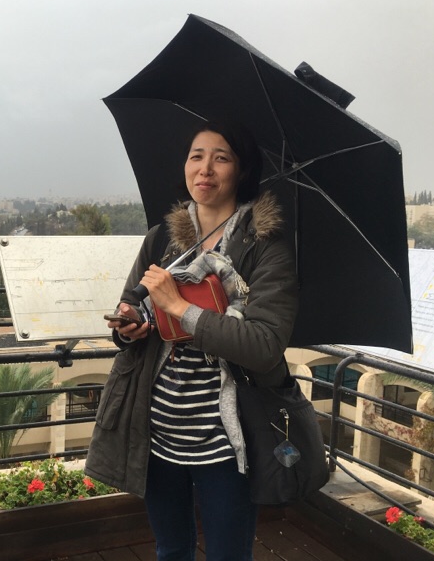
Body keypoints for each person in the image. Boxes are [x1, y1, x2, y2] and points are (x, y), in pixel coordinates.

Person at [85, 121, 299, 561]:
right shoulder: (163, 238)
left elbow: (264, 345)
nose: (205, 168)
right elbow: (132, 305)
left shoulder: (265, 248)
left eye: (221, 158)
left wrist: (180, 307)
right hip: (158, 427)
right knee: (170, 549)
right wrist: (130, 325)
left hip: (227, 438)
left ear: (242, 170)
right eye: (196, 156)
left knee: (227, 554)